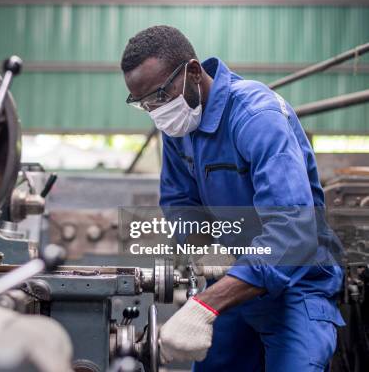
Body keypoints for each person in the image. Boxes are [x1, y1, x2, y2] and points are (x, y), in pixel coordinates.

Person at [120, 25, 344, 371]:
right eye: (144, 103)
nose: (156, 111)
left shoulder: (257, 116)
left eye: (160, 96)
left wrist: (204, 305)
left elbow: (292, 232)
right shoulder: (179, 127)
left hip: (294, 289)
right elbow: (180, 203)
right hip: (234, 285)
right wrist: (205, 249)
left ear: (193, 72)